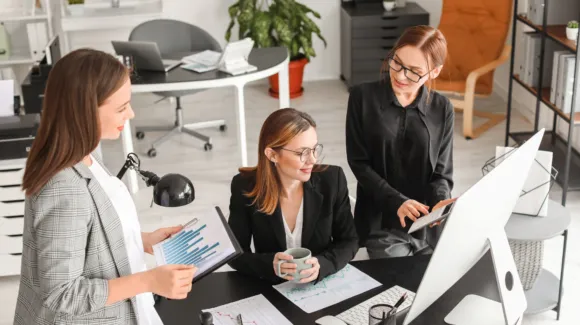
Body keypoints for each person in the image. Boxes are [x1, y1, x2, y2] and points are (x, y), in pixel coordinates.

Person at [15, 49, 196, 325]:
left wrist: (141, 240)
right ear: (84, 111)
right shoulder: (64, 188)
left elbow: (92, 229)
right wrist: (148, 281)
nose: (132, 113)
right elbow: (62, 293)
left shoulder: (85, 153)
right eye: (122, 108)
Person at [346, 25, 456, 259]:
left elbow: (441, 173)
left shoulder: (443, 109)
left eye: (414, 71)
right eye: (397, 62)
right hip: (377, 220)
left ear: (434, 72)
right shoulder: (361, 98)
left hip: (425, 224)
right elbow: (359, 163)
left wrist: (439, 204)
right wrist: (397, 201)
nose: (400, 75)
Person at [228, 108, 359, 283]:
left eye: (314, 149)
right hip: (271, 288)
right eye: (302, 153)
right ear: (272, 154)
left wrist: (323, 265)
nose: (312, 159)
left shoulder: (332, 180)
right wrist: (270, 265)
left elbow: (349, 241)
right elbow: (234, 254)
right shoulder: (245, 186)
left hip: (321, 285)